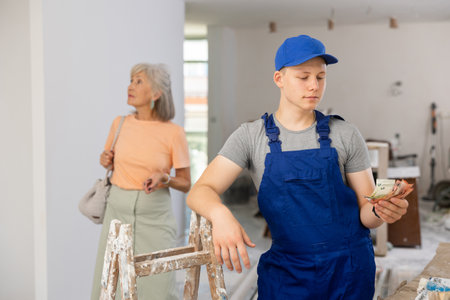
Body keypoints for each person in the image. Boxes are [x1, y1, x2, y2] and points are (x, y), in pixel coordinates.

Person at [186, 35, 409, 299]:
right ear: (279, 79)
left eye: (321, 77)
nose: (314, 86)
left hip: (349, 269)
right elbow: (199, 191)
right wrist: (221, 215)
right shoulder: (250, 137)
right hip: (287, 273)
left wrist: (383, 211)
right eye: (303, 77)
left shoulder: (345, 134)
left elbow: (366, 213)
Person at [91, 63, 191, 300]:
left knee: (158, 287)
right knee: (109, 285)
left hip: (155, 218)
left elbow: (186, 183)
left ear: (156, 93)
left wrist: (164, 178)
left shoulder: (173, 133)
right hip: (116, 214)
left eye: (138, 81)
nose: (130, 86)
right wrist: (105, 159)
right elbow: (109, 160)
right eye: (131, 80)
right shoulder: (119, 123)